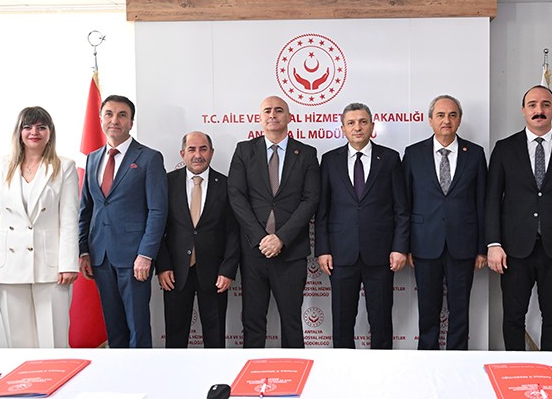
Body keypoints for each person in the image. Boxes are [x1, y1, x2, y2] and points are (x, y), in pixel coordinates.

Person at [485, 85, 552, 351]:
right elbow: (491, 200)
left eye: (545, 104)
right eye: (532, 105)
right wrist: (493, 243)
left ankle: (549, 369)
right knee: (513, 317)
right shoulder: (504, 148)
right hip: (514, 249)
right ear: (523, 110)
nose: (539, 110)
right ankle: (514, 368)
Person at [0, 107, 79, 348]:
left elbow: (69, 220)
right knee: (18, 342)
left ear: (50, 132)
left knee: (53, 341)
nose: (34, 132)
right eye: (28, 127)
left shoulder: (65, 166)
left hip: (52, 267)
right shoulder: (1, 165)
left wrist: (68, 264)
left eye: (41, 127)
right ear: (19, 132)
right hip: (9, 266)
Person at [228, 95, 320, 348]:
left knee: (292, 322)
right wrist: (262, 239)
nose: (272, 115)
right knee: (253, 320)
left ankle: (295, 369)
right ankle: (252, 369)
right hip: (254, 252)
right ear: (260, 118)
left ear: (289, 117)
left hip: (291, 251)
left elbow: (311, 200)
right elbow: (236, 196)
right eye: (267, 110)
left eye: (279, 110)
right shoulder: (244, 150)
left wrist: (281, 238)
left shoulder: (307, 153)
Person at [315, 102, 409, 349]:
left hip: (381, 255)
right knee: (342, 322)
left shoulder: (389, 159)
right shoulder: (329, 160)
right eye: (351, 123)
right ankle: (344, 369)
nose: (357, 127)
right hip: (341, 254)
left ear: (372, 126)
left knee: (381, 321)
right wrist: (323, 249)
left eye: (363, 122)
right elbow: (322, 211)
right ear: (343, 129)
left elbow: (401, 209)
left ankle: (382, 368)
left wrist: (399, 247)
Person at [78, 95, 167, 348]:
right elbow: (86, 209)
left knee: (137, 327)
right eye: (109, 114)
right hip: (100, 256)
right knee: (114, 327)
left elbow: (158, 211)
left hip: (134, 258)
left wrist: (146, 255)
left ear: (131, 122)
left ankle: (142, 371)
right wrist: (83, 250)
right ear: (101, 119)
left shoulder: (149, 158)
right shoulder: (93, 158)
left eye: (122, 115)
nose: (114, 120)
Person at [402, 94, 486, 350]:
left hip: (463, 245)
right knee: (428, 309)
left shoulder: (475, 153)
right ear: (430, 120)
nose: (446, 120)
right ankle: (427, 358)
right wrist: (406, 246)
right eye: (440, 115)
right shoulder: (413, 154)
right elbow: (404, 204)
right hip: (424, 244)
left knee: (460, 309)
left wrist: (482, 248)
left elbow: (482, 203)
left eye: (452, 115)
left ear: (459, 120)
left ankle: (458, 359)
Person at [157, 131, 240, 348]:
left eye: (203, 149)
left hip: (214, 274)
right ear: (182, 153)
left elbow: (233, 231)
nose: (198, 155)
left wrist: (227, 270)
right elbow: (157, 228)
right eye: (192, 149)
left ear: (211, 152)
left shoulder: (226, 185)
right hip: (174, 273)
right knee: (175, 338)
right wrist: (162, 266)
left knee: (215, 338)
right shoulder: (167, 182)